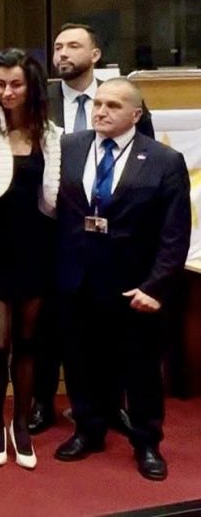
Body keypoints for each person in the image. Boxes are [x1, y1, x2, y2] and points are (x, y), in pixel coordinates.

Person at [53, 79, 190, 481]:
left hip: (135, 285)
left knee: (141, 368)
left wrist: (156, 286)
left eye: (113, 105)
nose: (101, 111)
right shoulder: (69, 147)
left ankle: (147, 442)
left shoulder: (164, 159)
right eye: (98, 103)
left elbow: (175, 233)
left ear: (135, 114)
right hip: (78, 280)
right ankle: (88, 430)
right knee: (81, 363)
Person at [30, 22, 155, 435]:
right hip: (52, 233)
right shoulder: (39, 100)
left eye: (73, 46)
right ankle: (42, 403)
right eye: (58, 47)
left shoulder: (123, 99)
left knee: (107, 326)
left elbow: (144, 165)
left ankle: (110, 405)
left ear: (95, 54)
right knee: (49, 325)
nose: (63, 54)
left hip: (109, 240)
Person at [0, 49, 61, 470]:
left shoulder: (50, 134)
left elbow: (56, 199)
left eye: (16, 84)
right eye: (1, 84)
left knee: (27, 343)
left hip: (36, 249)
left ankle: (21, 424)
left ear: (32, 87)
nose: (8, 92)